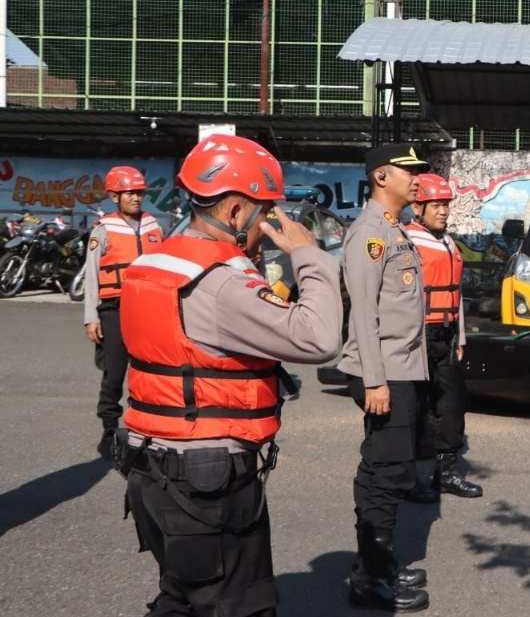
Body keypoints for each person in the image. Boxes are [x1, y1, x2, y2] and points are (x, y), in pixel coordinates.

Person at [115, 134, 342, 617]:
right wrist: (310, 256)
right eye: (266, 213)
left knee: (181, 596)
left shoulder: (155, 260)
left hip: (150, 467)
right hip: (205, 481)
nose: (270, 226)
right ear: (236, 212)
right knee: (236, 606)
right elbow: (319, 339)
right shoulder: (222, 284)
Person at [337, 143, 432, 612]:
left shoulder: (395, 230)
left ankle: (380, 562)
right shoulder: (369, 234)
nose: (416, 179)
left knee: (388, 468)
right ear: (381, 177)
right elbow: (363, 314)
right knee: (385, 473)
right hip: (384, 373)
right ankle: (370, 576)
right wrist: (375, 381)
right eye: (408, 171)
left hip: (401, 369)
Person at [405, 172, 482, 500]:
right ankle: (413, 478)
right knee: (417, 408)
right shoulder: (406, 240)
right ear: (418, 207)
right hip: (418, 335)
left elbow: (456, 293)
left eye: (446, 205)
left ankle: (445, 473)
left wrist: (460, 336)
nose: (443, 211)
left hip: (446, 335)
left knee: (450, 406)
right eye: (436, 205)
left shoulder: (448, 242)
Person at [83, 165, 164, 460]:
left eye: (139, 192)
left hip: (148, 310)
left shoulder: (154, 226)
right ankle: (108, 430)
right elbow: (92, 275)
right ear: (115, 196)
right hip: (114, 310)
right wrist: (91, 317)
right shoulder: (103, 230)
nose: (136, 197)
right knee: (114, 373)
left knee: (150, 372)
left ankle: (145, 428)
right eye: (130, 192)